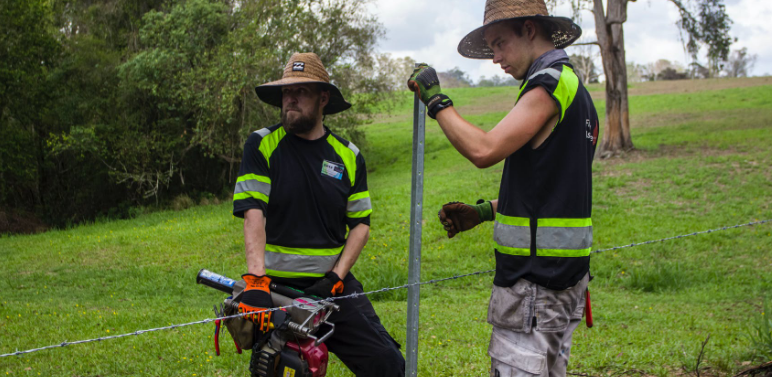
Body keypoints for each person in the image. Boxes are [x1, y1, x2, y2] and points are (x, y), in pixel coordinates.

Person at [407, 0, 599, 375]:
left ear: (529, 29)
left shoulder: (550, 84)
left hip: (535, 285)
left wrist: (435, 100)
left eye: (499, 43)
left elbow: (484, 150)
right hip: (562, 280)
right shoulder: (579, 95)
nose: (495, 57)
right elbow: (552, 190)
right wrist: (483, 212)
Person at [233, 52, 405, 376]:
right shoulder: (261, 145)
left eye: (301, 92)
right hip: (275, 289)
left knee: (389, 365)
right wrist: (256, 281)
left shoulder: (349, 157)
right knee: (279, 368)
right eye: (286, 92)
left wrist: (336, 278)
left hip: (332, 289)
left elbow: (361, 225)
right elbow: (252, 209)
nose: (291, 99)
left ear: (323, 98)